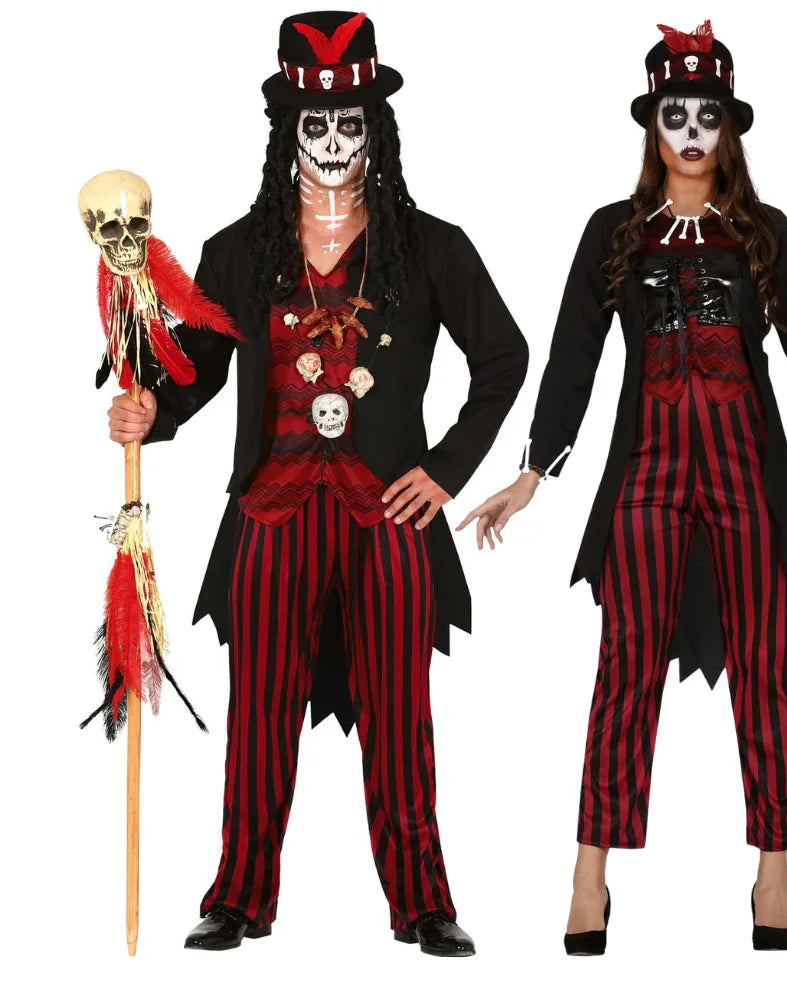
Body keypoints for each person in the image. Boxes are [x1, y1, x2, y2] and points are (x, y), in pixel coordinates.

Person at [458, 18, 787, 953]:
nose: (689, 133)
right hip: (647, 472)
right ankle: (589, 874)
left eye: (706, 116)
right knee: (625, 668)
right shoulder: (614, 231)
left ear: (729, 128)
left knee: (769, 668)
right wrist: (533, 473)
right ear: (652, 124)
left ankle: (773, 871)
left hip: (750, 473)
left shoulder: (764, 232)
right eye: (674, 115)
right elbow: (572, 358)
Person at [107, 10, 528, 957]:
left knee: (401, 714)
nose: (334, 142)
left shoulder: (432, 247)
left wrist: (444, 470)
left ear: (375, 130)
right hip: (271, 511)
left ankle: (422, 901)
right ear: (287, 131)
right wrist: (153, 413)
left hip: (389, 515)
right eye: (316, 124)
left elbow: (504, 358)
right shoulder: (237, 252)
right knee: (258, 714)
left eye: (350, 124)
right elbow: (195, 370)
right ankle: (238, 897)